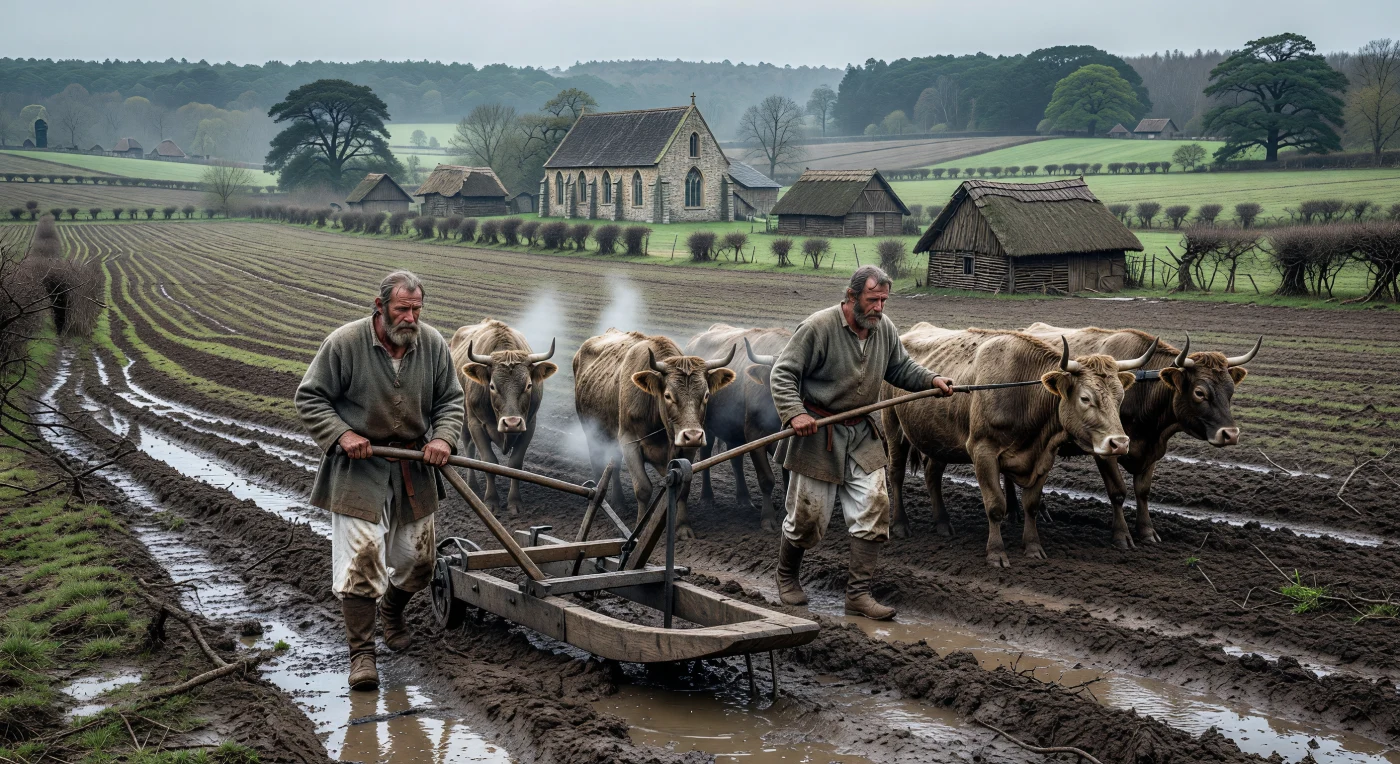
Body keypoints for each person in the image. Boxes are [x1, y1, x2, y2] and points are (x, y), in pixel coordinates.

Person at [295, 271, 464, 691]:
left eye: (417, 309)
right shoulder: (345, 342)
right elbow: (310, 396)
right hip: (359, 470)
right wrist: (342, 434)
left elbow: (451, 399)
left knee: (418, 563)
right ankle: (362, 654)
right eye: (402, 309)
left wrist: (443, 438)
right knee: (362, 559)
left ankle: (391, 611)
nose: (411, 318)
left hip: (413, 467)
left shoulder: (432, 344)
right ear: (380, 306)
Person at [768, 265, 952, 620]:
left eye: (884, 300)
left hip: (862, 434)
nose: (879, 308)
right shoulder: (818, 327)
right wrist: (795, 413)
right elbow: (783, 372)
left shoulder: (884, 329)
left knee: (874, 507)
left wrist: (932, 380)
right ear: (851, 296)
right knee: (807, 518)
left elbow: (900, 368)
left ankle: (858, 595)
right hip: (818, 433)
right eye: (872, 300)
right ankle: (787, 576)